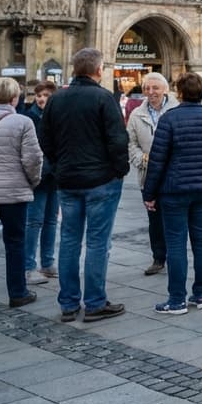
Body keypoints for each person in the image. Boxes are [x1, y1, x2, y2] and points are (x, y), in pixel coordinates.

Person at [42, 48, 129, 323]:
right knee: (97, 242)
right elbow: (118, 139)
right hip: (101, 180)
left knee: (69, 240)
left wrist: (58, 166)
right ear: (99, 70)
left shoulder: (57, 99)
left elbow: (45, 139)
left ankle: (68, 304)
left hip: (68, 180)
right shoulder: (104, 97)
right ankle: (94, 303)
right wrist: (119, 170)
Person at [142, 72, 202, 314]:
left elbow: (157, 161)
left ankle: (177, 299)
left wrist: (149, 193)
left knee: (176, 243)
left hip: (175, 190)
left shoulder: (169, 119)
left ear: (179, 93)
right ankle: (201, 294)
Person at [0, 77, 44, 318]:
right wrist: (32, 182)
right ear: (14, 98)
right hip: (13, 193)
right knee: (16, 243)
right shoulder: (22, 122)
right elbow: (33, 159)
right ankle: (18, 293)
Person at [127, 72, 173, 276]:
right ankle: (158, 257)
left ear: (165, 90)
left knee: (174, 218)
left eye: (155, 88)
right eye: (147, 88)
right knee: (154, 219)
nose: (151, 92)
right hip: (148, 173)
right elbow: (131, 142)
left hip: (172, 173)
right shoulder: (137, 114)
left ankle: (175, 256)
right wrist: (141, 159)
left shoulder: (175, 110)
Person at [22, 80, 59, 287]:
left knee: (51, 221)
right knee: (34, 221)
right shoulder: (30, 117)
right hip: (38, 177)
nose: (41, 99)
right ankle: (29, 266)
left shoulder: (57, 116)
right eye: (38, 95)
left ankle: (47, 263)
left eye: (45, 95)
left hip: (55, 176)